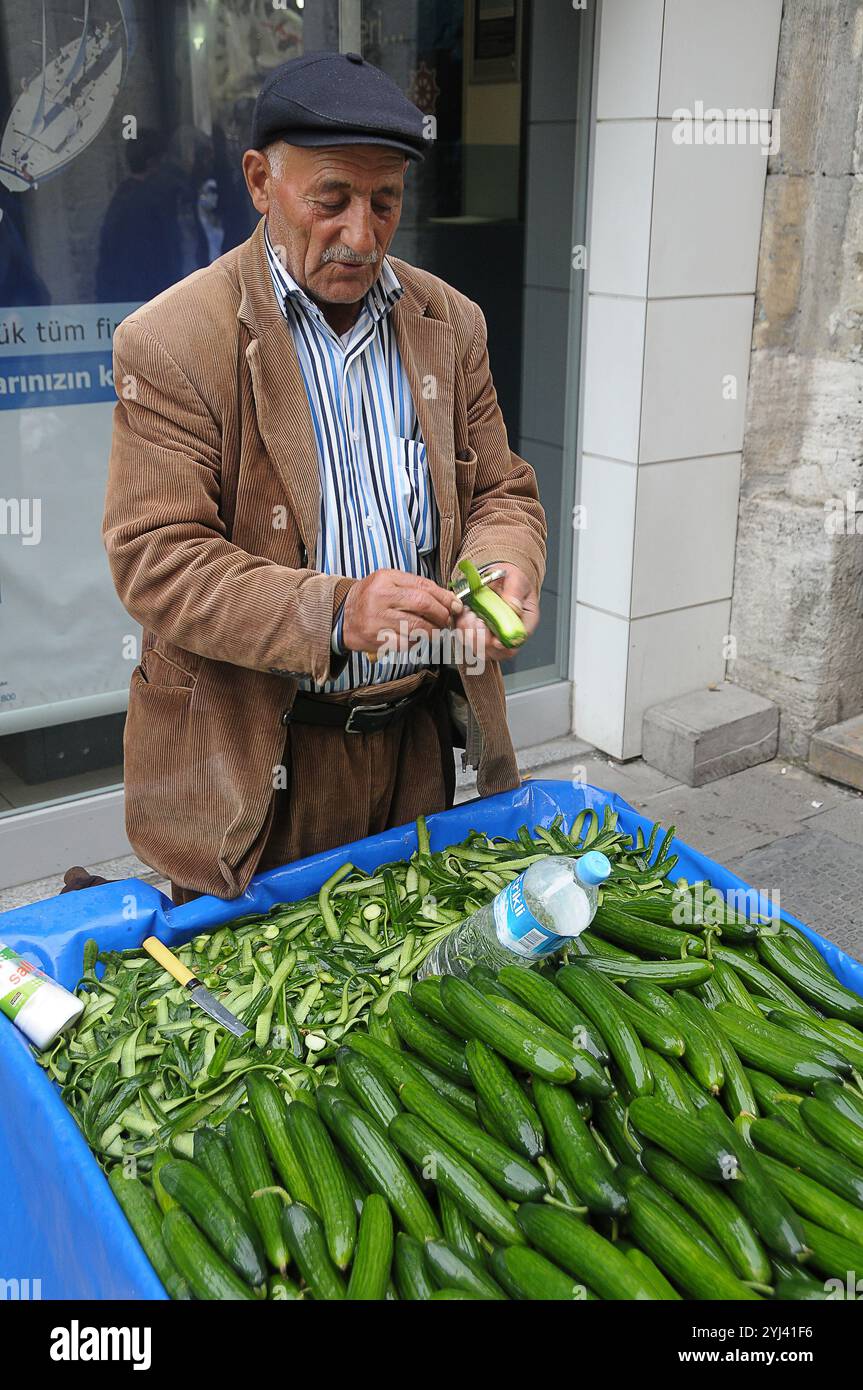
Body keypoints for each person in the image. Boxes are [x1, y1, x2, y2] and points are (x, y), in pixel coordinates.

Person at [102, 51, 546, 904]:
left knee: (405, 983)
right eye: (331, 199)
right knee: (267, 1015)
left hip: (415, 741)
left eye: (385, 202)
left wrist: (502, 565)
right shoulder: (172, 341)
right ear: (261, 181)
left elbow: (500, 492)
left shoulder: (449, 323)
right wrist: (336, 611)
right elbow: (154, 558)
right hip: (254, 759)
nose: (362, 234)